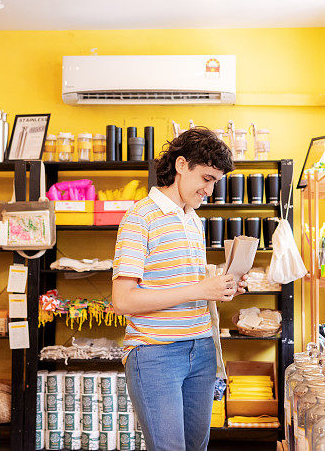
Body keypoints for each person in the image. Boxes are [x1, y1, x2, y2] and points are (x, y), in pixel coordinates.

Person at [111, 126, 243, 450]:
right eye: (207, 179)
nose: (209, 191)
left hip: (201, 349)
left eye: (216, 182)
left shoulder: (194, 219)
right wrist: (201, 290)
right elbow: (123, 300)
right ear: (182, 165)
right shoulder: (139, 218)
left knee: (196, 447)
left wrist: (225, 286)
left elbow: (187, 282)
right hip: (155, 353)